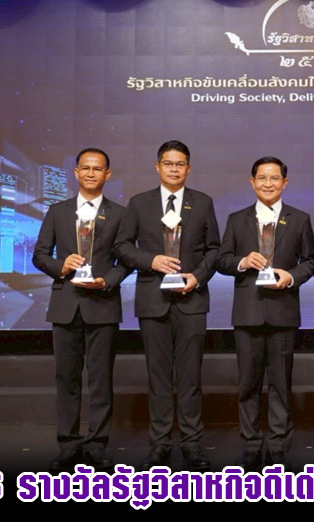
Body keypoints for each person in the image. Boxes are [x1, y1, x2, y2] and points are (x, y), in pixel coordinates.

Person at [114, 140, 220, 471]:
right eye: (168, 163)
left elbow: (214, 249)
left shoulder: (202, 202)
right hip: (153, 301)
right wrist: (151, 260)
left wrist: (197, 277)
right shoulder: (139, 203)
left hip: (191, 300)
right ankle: (159, 444)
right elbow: (122, 246)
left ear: (188, 168)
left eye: (180, 163)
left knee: (190, 376)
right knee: (158, 376)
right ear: (157, 166)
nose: (174, 169)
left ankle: (191, 443)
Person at [33, 147, 130, 472]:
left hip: (102, 304)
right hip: (66, 305)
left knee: (101, 379)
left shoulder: (120, 214)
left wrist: (107, 281)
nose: (91, 173)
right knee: (66, 378)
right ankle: (68, 444)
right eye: (85, 168)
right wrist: (61, 266)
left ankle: (97, 444)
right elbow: (40, 254)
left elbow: (126, 261)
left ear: (107, 174)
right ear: (76, 173)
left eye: (97, 168)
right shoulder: (57, 211)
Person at [216, 156, 314, 471]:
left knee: (281, 384)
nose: (268, 184)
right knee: (248, 383)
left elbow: (311, 261)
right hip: (247, 312)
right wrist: (243, 262)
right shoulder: (237, 219)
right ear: (252, 182)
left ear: (284, 183)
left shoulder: (299, 219)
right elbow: (222, 260)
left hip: (283, 311)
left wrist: (291, 276)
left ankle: (278, 446)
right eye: (262, 178)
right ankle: (250, 445)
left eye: (274, 178)